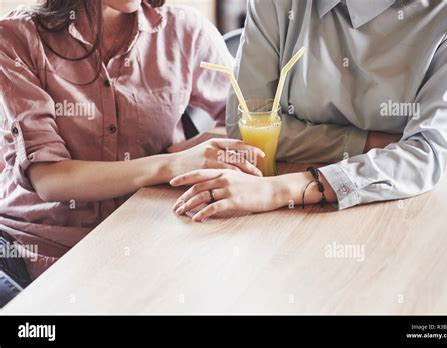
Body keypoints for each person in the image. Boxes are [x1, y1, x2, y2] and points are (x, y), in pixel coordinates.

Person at [0, 0, 264, 297]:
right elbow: (50, 179)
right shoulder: (17, 37)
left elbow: (248, 119)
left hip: (149, 242)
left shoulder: (185, 30)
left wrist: (192, 148)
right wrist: (171, 162)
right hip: (24, 252)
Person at [172, 0, 447, 221]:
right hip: (284, 216)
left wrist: (280, 190)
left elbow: (426, 155)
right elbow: (247, 127)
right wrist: (371, 142)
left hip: (408, 207)